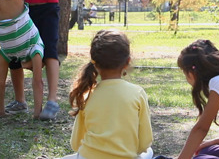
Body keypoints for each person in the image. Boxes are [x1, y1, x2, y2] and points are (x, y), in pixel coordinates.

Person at [61, 30, 154, 159]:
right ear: (127, 62)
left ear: (95, 63)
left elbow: (76, 144)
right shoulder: (137, 93)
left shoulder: (88, 94)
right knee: (148, 152)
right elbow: (144, 143)